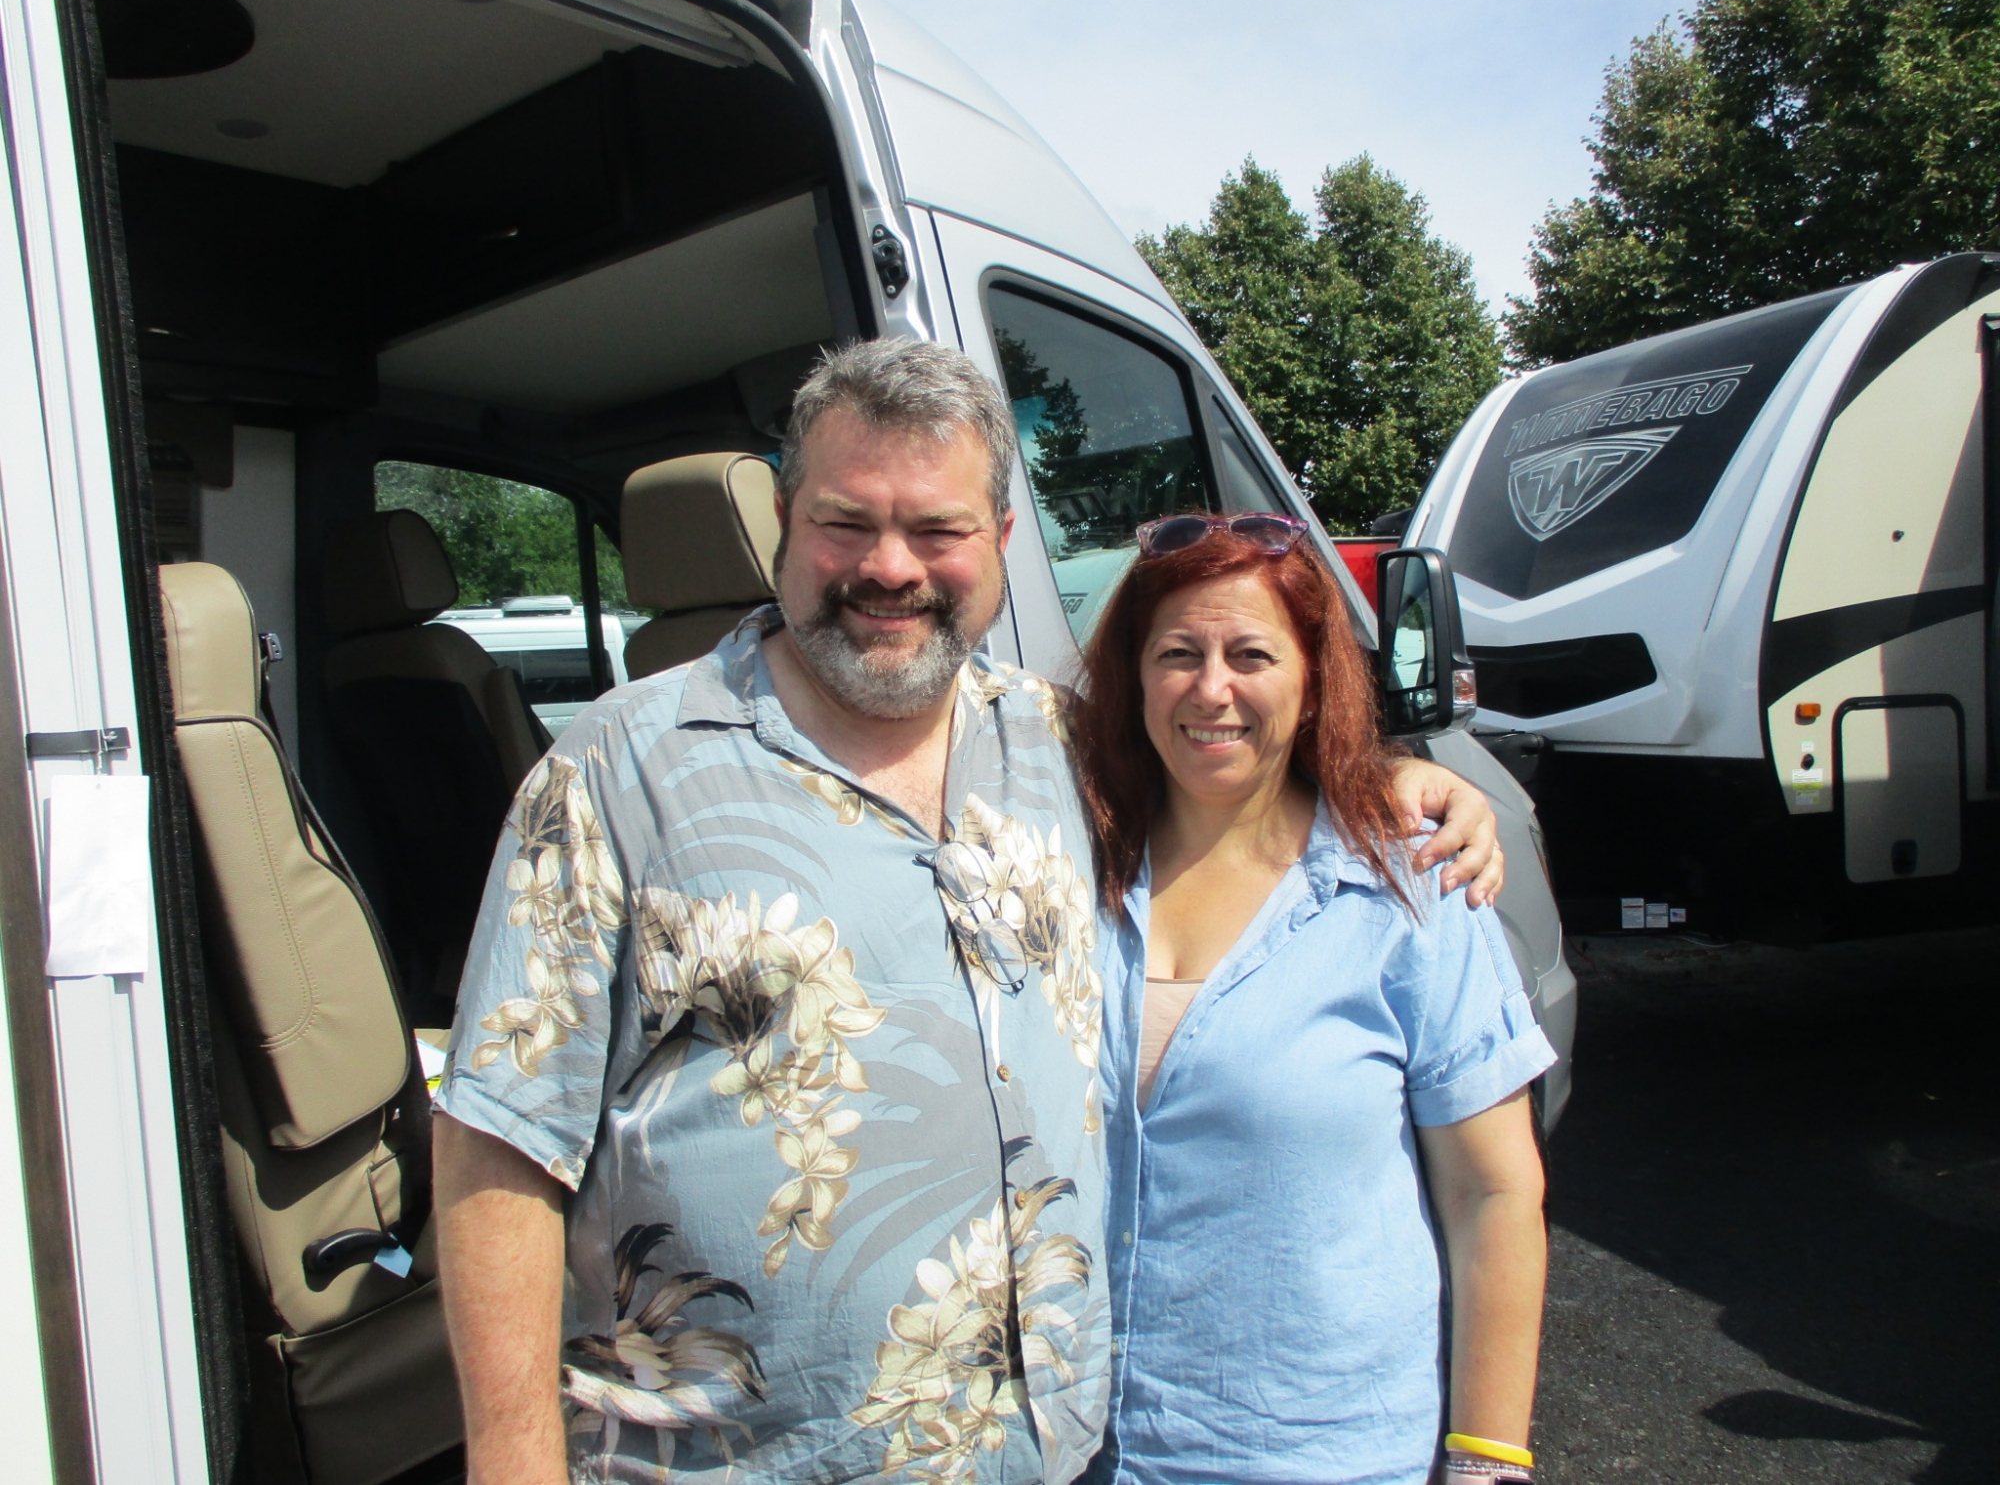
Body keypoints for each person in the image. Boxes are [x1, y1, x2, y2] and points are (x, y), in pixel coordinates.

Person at [431, 338, 1506, 1485]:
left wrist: (1387, 785)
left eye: (936, 530)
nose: (889, 566)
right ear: (784, 523)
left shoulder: (1062, 744)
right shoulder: (614, 774)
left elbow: (1230, 778)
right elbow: (500, 1148)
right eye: (846, 522)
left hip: (1056, 1458)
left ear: (996, 540)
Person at [1070, 513, 1555, 1485]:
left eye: (1250, 655)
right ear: (1135, 675)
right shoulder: (1059, 863)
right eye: (1178, 654)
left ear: (1312, 682)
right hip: (1068, 1449)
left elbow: (1492, 1193)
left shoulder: (1410, 887)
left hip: (1314, 1455)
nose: (1211, 688)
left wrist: (1486, 1463)